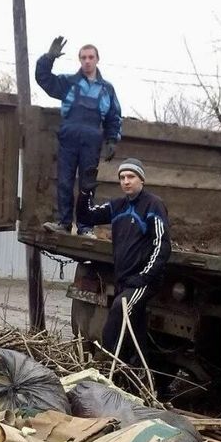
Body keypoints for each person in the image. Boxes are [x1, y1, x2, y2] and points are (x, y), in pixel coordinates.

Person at [76, 158, 171, 375]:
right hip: (124, 280)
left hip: (142, 281)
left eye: (131, 177)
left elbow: (162, 245)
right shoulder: (117, 206)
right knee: (136, 331)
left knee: (121, 308)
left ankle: (104, 362)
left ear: (142, 180)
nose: (126, 181)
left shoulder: (153, 205)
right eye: (122, 177)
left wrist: (144, 277)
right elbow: (86, 216)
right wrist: (85, 193)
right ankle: (145, 377)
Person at [35, 36, 122, 237]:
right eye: (83, 57)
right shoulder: (68, 82)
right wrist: (48, 58)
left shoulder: (106, 89)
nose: (87, 61)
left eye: (91, 57)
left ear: (97, 59)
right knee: (64, 181)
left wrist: (111, 139)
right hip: (69, 138)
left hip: (92, 141)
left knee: (87, 185)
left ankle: (85, 227)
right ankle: (64, 223)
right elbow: (44, 79)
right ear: (79, 60)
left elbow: (114, 116)